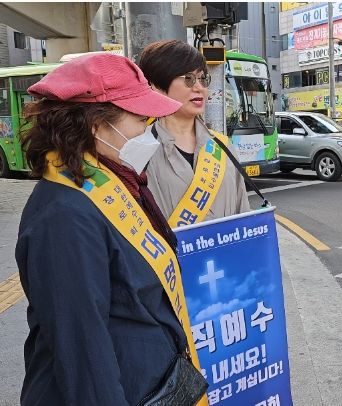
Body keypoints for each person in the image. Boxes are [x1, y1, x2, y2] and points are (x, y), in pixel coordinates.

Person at [16, 53, 206, 404]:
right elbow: (84, 353)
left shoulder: (113, 181)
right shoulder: (64, 216)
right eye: (140, 119)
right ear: (95, 125)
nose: (148, 131)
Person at [138, 40, 250, 228]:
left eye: (203, 78)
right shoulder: (140, 152)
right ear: (157, 86)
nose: (199, 87)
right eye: (188, 79)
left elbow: (244, 214)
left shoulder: (222, 146)